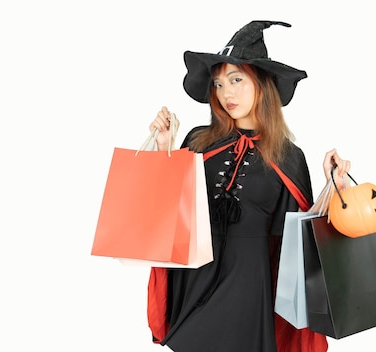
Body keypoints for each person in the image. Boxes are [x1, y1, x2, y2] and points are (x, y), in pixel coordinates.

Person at [146, 20, 350, 352]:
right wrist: (165, 150)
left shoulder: (289, 157)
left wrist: (334, 189)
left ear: (262, 83)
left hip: (247, 284)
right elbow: (171, 214)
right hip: (195, 277)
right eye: (219, 83)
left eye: (237, 80)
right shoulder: (198, 141)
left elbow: (300, 242)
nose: (227, 93)